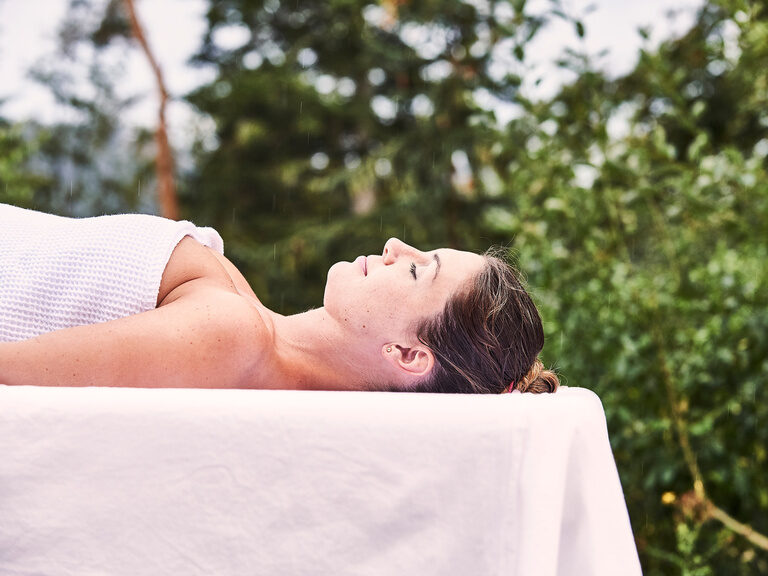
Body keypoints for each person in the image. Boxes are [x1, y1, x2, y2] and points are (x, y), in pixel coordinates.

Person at [0, 203, 558, 393]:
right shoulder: (243, 322)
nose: (395, 246)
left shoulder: (231, 336)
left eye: (418, 271)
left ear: (408, 354)